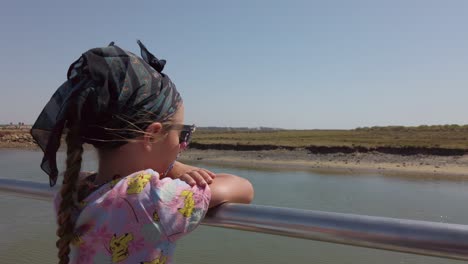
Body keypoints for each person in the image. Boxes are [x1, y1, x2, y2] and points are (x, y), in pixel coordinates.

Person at [31, 41, 254, 264]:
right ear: (153, 135)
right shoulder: (151, 200)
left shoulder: (73, 190)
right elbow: (244, 188)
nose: (181, 145)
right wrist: (176, 168)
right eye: (182, 134)